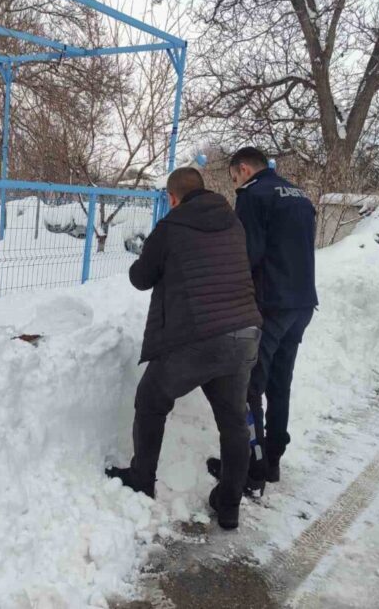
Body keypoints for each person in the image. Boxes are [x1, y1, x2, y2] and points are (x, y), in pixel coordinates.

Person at [105, 167, 262, 530]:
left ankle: (142, 479)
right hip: (245, 332)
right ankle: (229, 504)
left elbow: (141, 278)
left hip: (198, 337)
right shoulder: (233, 222)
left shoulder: (170, 227)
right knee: (234, 422)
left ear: (172, 198)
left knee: (151, 400)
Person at [228, 147, 318, 494]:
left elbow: (248, 255)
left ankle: (252, 468)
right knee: (280, 385)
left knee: (250, 387)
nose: (236, 182)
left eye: (235, 177)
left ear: (245, 169)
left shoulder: (253, 196)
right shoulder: (299, 196)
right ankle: (274, 460)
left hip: (270, 306)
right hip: (302, 304)